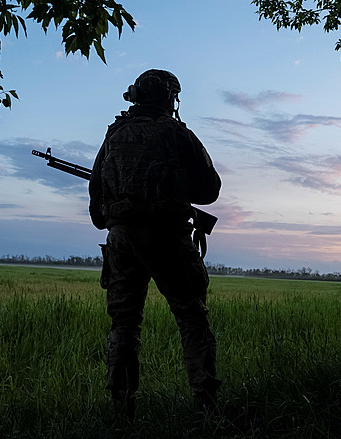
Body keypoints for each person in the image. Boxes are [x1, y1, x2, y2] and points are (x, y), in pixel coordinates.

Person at [88, 69, 222, 422]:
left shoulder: (113, 136)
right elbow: (209, 190)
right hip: (168, 239)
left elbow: (97, 211)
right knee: (192, 318)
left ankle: (121, 413)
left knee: (124, 326)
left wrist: (126, 209)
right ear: (169, 98)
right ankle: (207, 409)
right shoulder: (178, 134)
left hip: (121, 242)